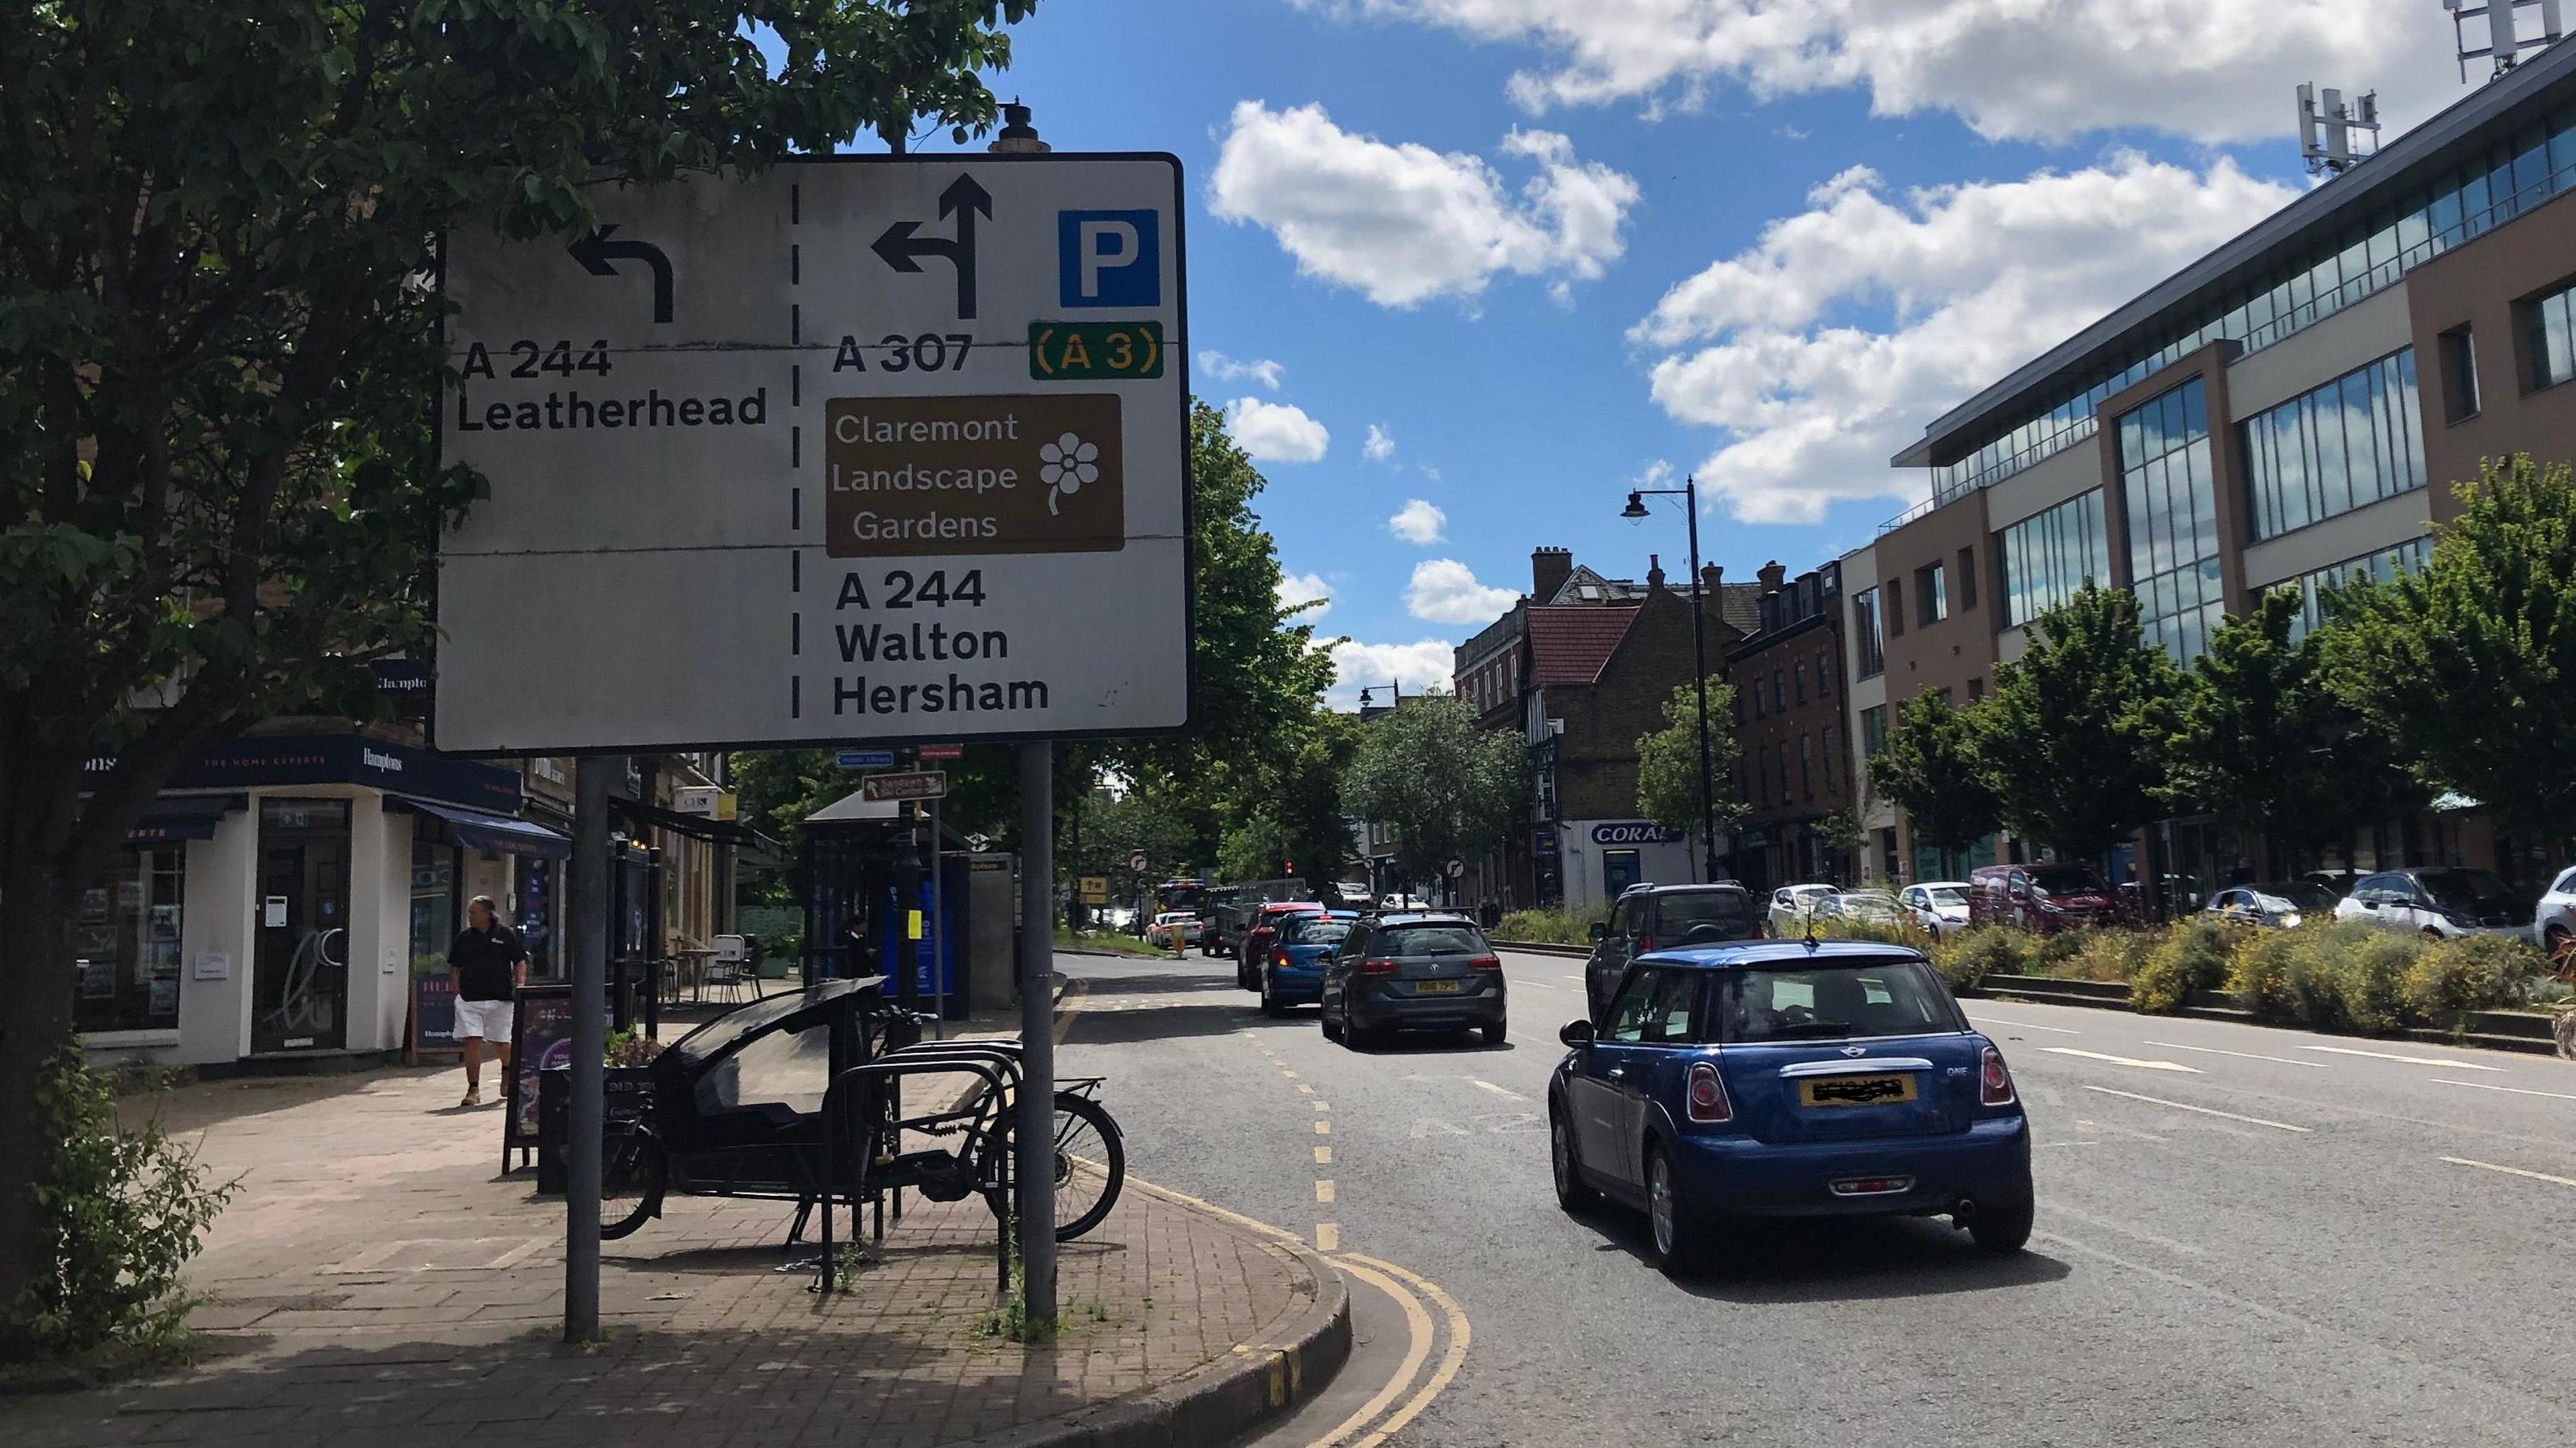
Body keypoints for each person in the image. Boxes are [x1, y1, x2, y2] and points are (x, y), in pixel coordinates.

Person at [449, 895, 528, 1108]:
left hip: (500, 998)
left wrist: (520, 983)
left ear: (488, 914)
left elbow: (520, 961)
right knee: (472, 1040)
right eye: (469, 913)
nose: (470, 917)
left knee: (501, 1043)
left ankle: (507, 1071)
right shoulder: (464, 938)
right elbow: (455, 966)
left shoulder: (505, 935)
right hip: (470, 998)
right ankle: (473, 1089)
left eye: (474, 913)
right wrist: (456, 988)